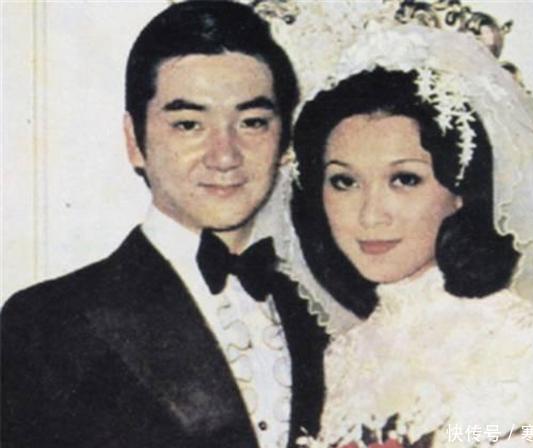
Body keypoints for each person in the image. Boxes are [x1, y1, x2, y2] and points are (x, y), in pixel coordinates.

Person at [1, 2, 332, 447]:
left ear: (283, 139)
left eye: (252, 122)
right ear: (134, 141)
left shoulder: (317, 317)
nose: (225, 155)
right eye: (189, 124)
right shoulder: (46, 324)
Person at [291, 25, 533, 447]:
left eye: (405, 179)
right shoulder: (343, 359)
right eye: (344, 182)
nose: (371, 215)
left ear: (460, 192)